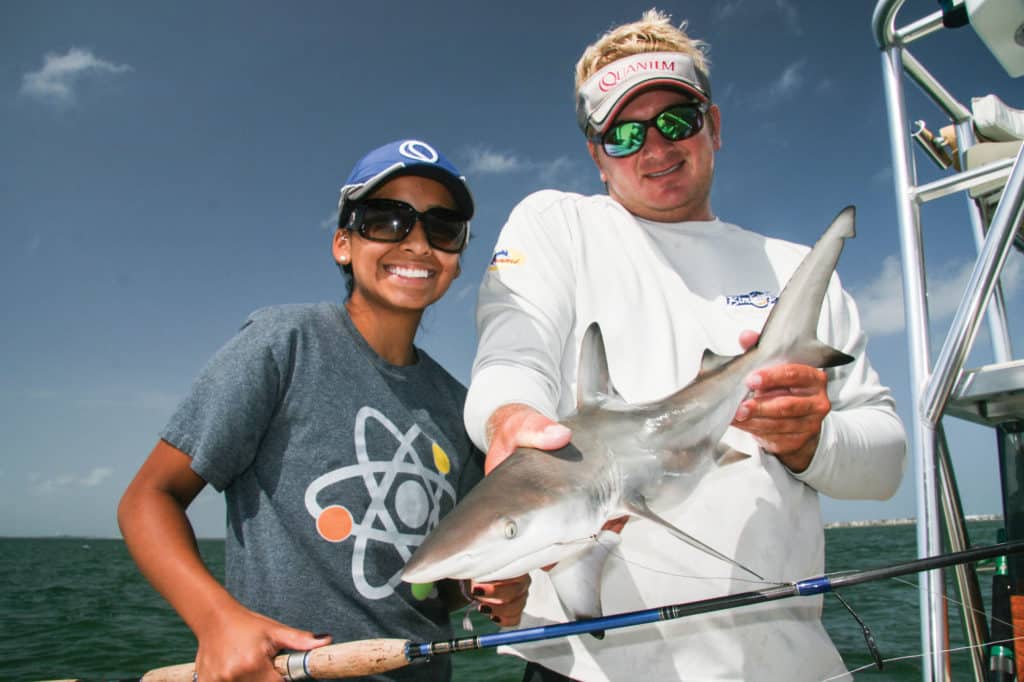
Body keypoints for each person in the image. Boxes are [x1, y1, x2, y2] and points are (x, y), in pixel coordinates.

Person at [464, 11, 907, 682]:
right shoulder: (559, 227)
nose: (655, 149)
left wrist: (807, 441)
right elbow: (510, 351)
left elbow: (887, 464)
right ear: (595, 153)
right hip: (583, 669)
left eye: (676, 121)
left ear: (715, 126)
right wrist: (509, 420)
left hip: (782, 667)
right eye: (623, 133)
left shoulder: (792, 270)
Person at [118, 138, 530, 682]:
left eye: (442, 228)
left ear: (456, 260)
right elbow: (148, 498)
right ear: (343, 243)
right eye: (387, 221)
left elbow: (431, 587)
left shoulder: (463, 405)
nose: (417, 243)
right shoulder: (283, 343)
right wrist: (217, 621)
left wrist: (490, 586)